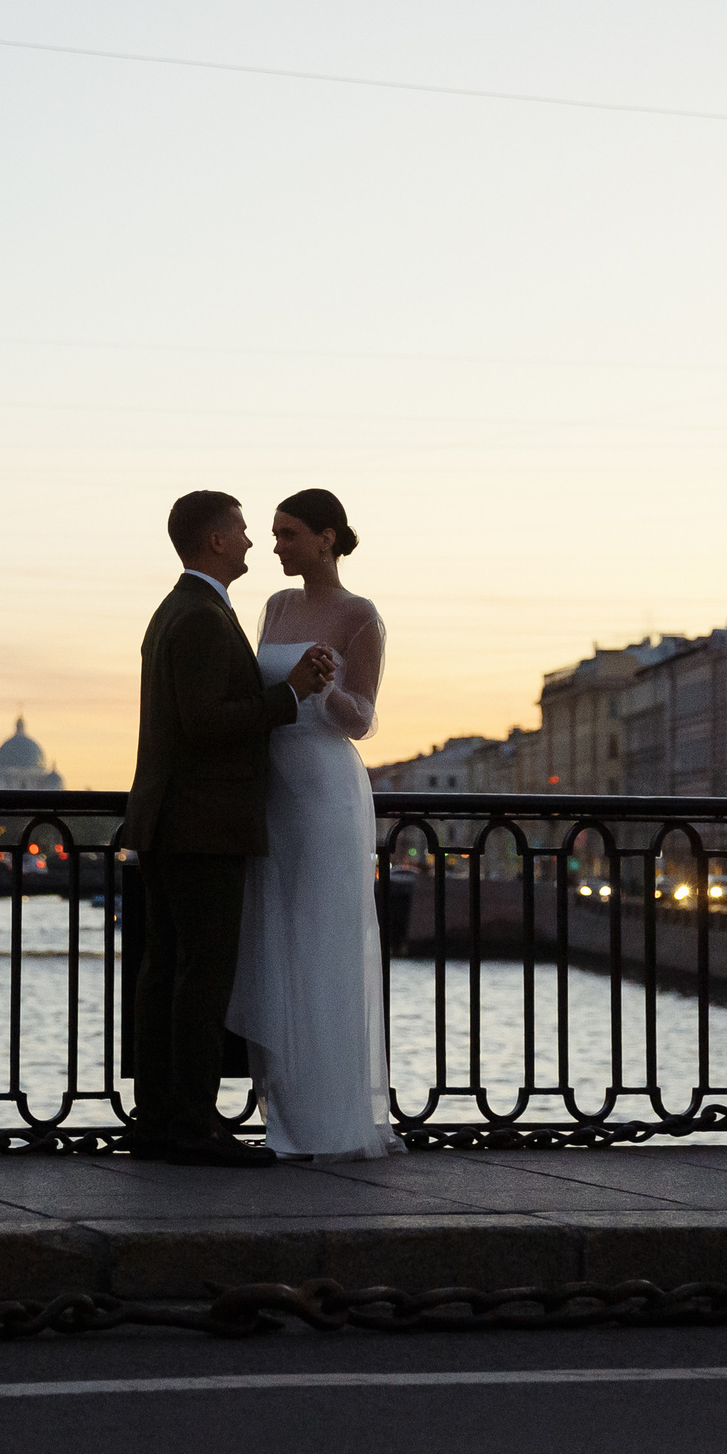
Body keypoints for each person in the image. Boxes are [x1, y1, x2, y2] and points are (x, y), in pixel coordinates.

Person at [120, 490, 334, 1167]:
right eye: (241, 531)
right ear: (214, 541)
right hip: (202, 824)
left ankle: (159, 1118)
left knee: (165, 976)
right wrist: (290, 693)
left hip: (169, 818)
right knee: (200, 979)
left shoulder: (178, 611)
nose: (250, 543)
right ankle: (191, 1124)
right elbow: (207, 722)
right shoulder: (204, 618)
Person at [227, 488, 405, 1162]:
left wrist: (322, 687)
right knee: (276, 939)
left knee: (322, 943)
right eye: (273, 534)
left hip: (324, 789)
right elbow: (258, 688)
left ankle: (330, 1124)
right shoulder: (274, 607)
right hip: (271, 781)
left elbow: (359, 719)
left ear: (326, 539)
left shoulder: (360, 615)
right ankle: (286, 1118)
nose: (275, 545)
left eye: (289, 534)